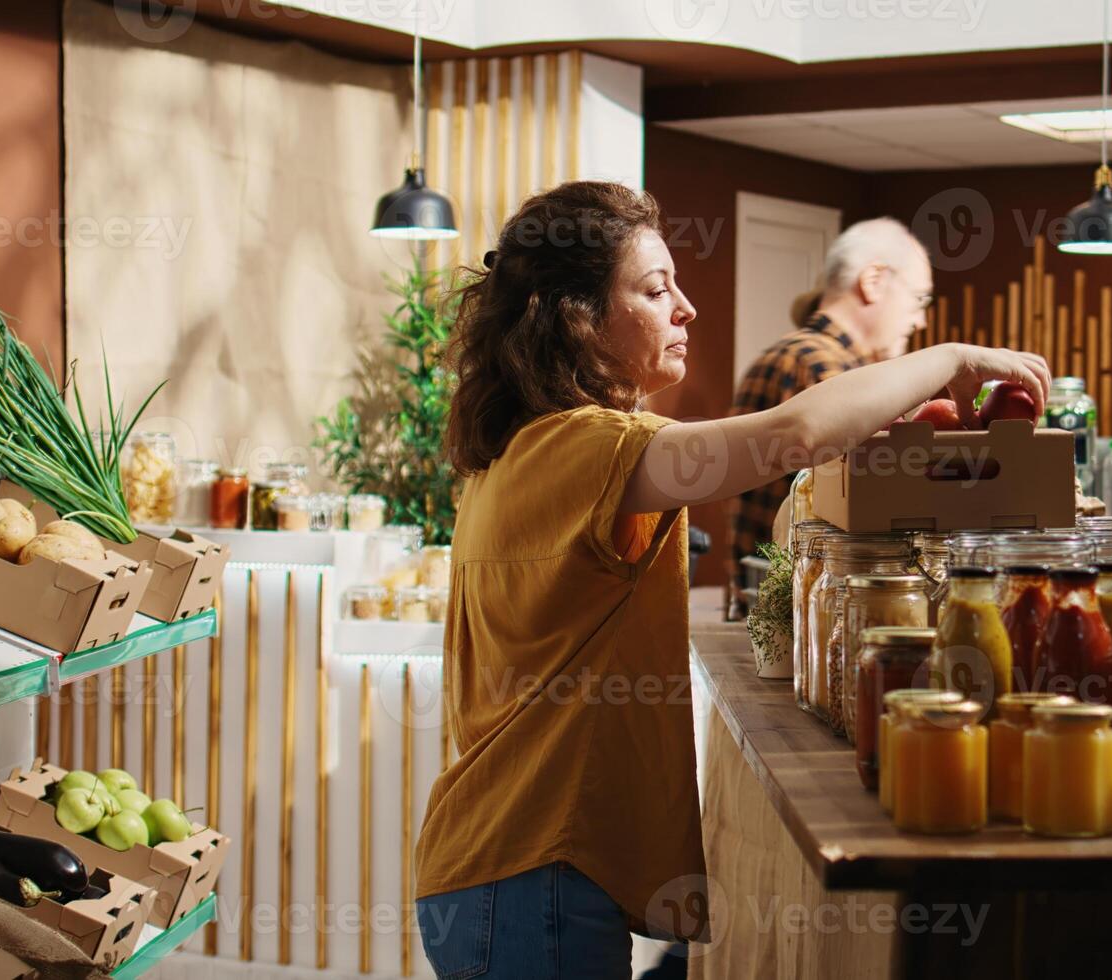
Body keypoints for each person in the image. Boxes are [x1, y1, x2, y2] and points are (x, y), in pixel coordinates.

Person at [415, 181, 1047, 979]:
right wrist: (949, 360)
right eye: (654, 290)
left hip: (509, 862)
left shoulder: (528, 448)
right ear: (572, 316)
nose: (686, 309)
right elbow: (793, 434)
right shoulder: (578, 445)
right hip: (526, 867)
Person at [726, 218, 936, 608]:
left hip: (777, 610)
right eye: (919, 298)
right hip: (806, 612)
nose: (920, 319)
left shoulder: (799, 353)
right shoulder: (824, 368)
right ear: (873, 281)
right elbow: (877, 501)